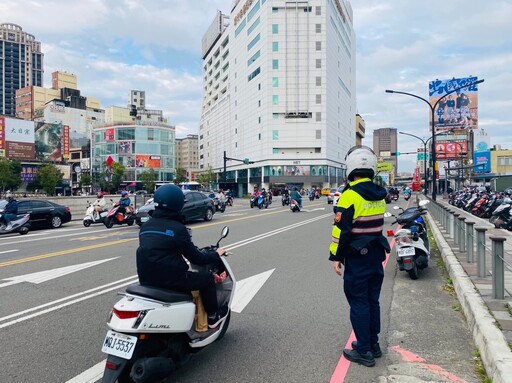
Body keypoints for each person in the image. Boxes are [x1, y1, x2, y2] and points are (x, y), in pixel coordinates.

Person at [329, 145, 391, 367]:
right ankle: (372, 344)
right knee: (372, 301)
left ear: (350, 169)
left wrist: (336, 257)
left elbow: (341, 232)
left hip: (357, 256)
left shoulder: (348, 196)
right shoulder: (380, 195)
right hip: (376, 254)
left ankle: (363, 350)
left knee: (358, 303)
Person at [136, 184, 228, 328]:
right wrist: (216, 254)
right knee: (208, 279)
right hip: (171, 279)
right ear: (178, 204)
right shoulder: (178, 228)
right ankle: (212, 317)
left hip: (146, 279)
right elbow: (197, 258)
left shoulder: (146, 226)